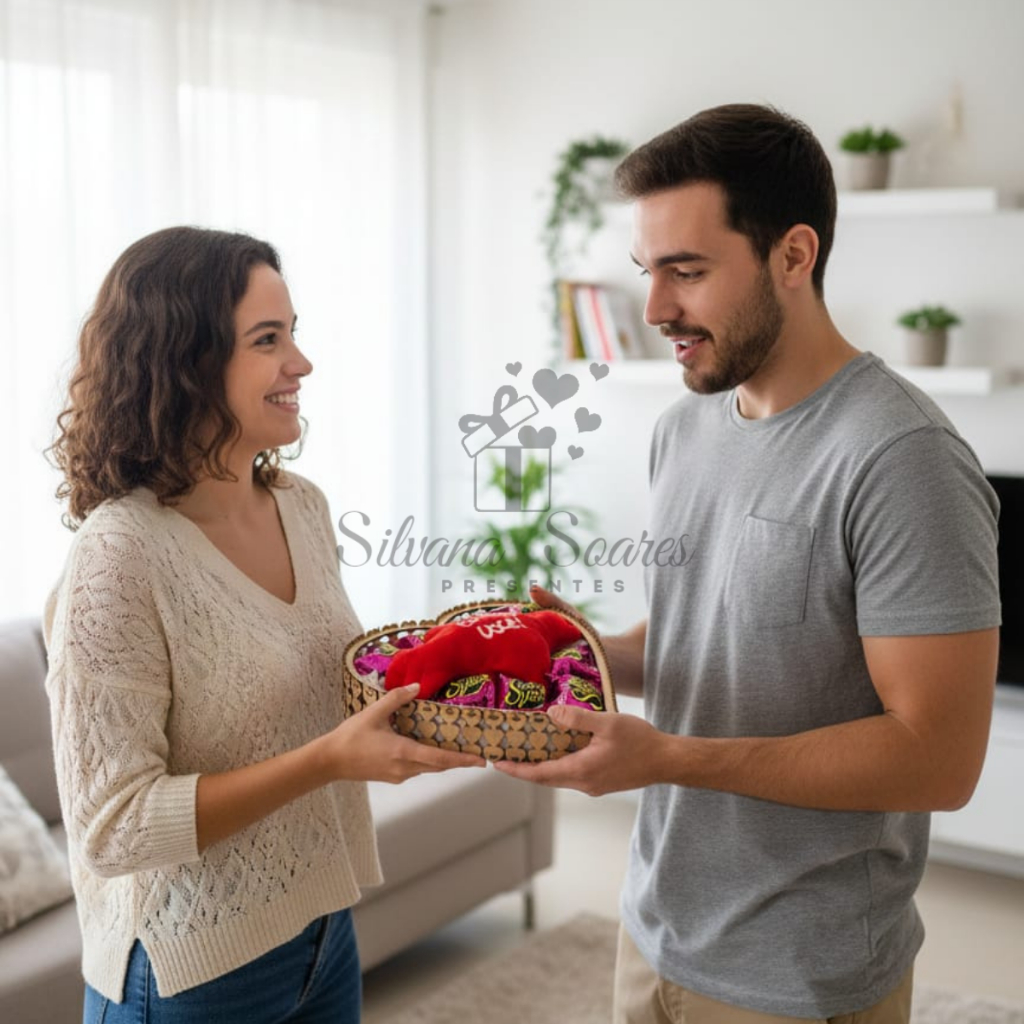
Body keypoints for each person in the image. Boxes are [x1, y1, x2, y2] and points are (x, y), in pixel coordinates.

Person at [496, 104, 1001, 1024]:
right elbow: (715, 631)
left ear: (794, 257)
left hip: (801, 975)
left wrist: (669, 758)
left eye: (687, 272)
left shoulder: (902, 457)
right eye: (651, 271)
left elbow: (941, 757)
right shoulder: (684, 429)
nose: (655, 311)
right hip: (655, 929)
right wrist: (591, 650)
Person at [44, 226, 484, 1024]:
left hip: (323, 934)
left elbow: (318, 677)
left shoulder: (300, 506)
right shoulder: (121, 555)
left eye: (294, 334)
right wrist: (328, 761)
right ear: (187, 360)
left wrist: (465, 674)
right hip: (189, 975)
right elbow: (113, 827)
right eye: (267, 340)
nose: (301, 364)